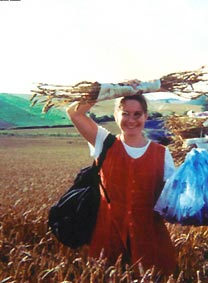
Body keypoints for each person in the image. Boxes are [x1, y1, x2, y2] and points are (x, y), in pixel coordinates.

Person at [66, 91, 177, 278]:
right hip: (107, 235)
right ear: (116, 115)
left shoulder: (162, 153)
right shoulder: (103, 142)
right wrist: (117, 89)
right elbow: (74, 112)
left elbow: (173, 199)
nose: (131, 120)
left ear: (146, 116)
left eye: (137, 114)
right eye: (125, 113)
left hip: (150, 239)